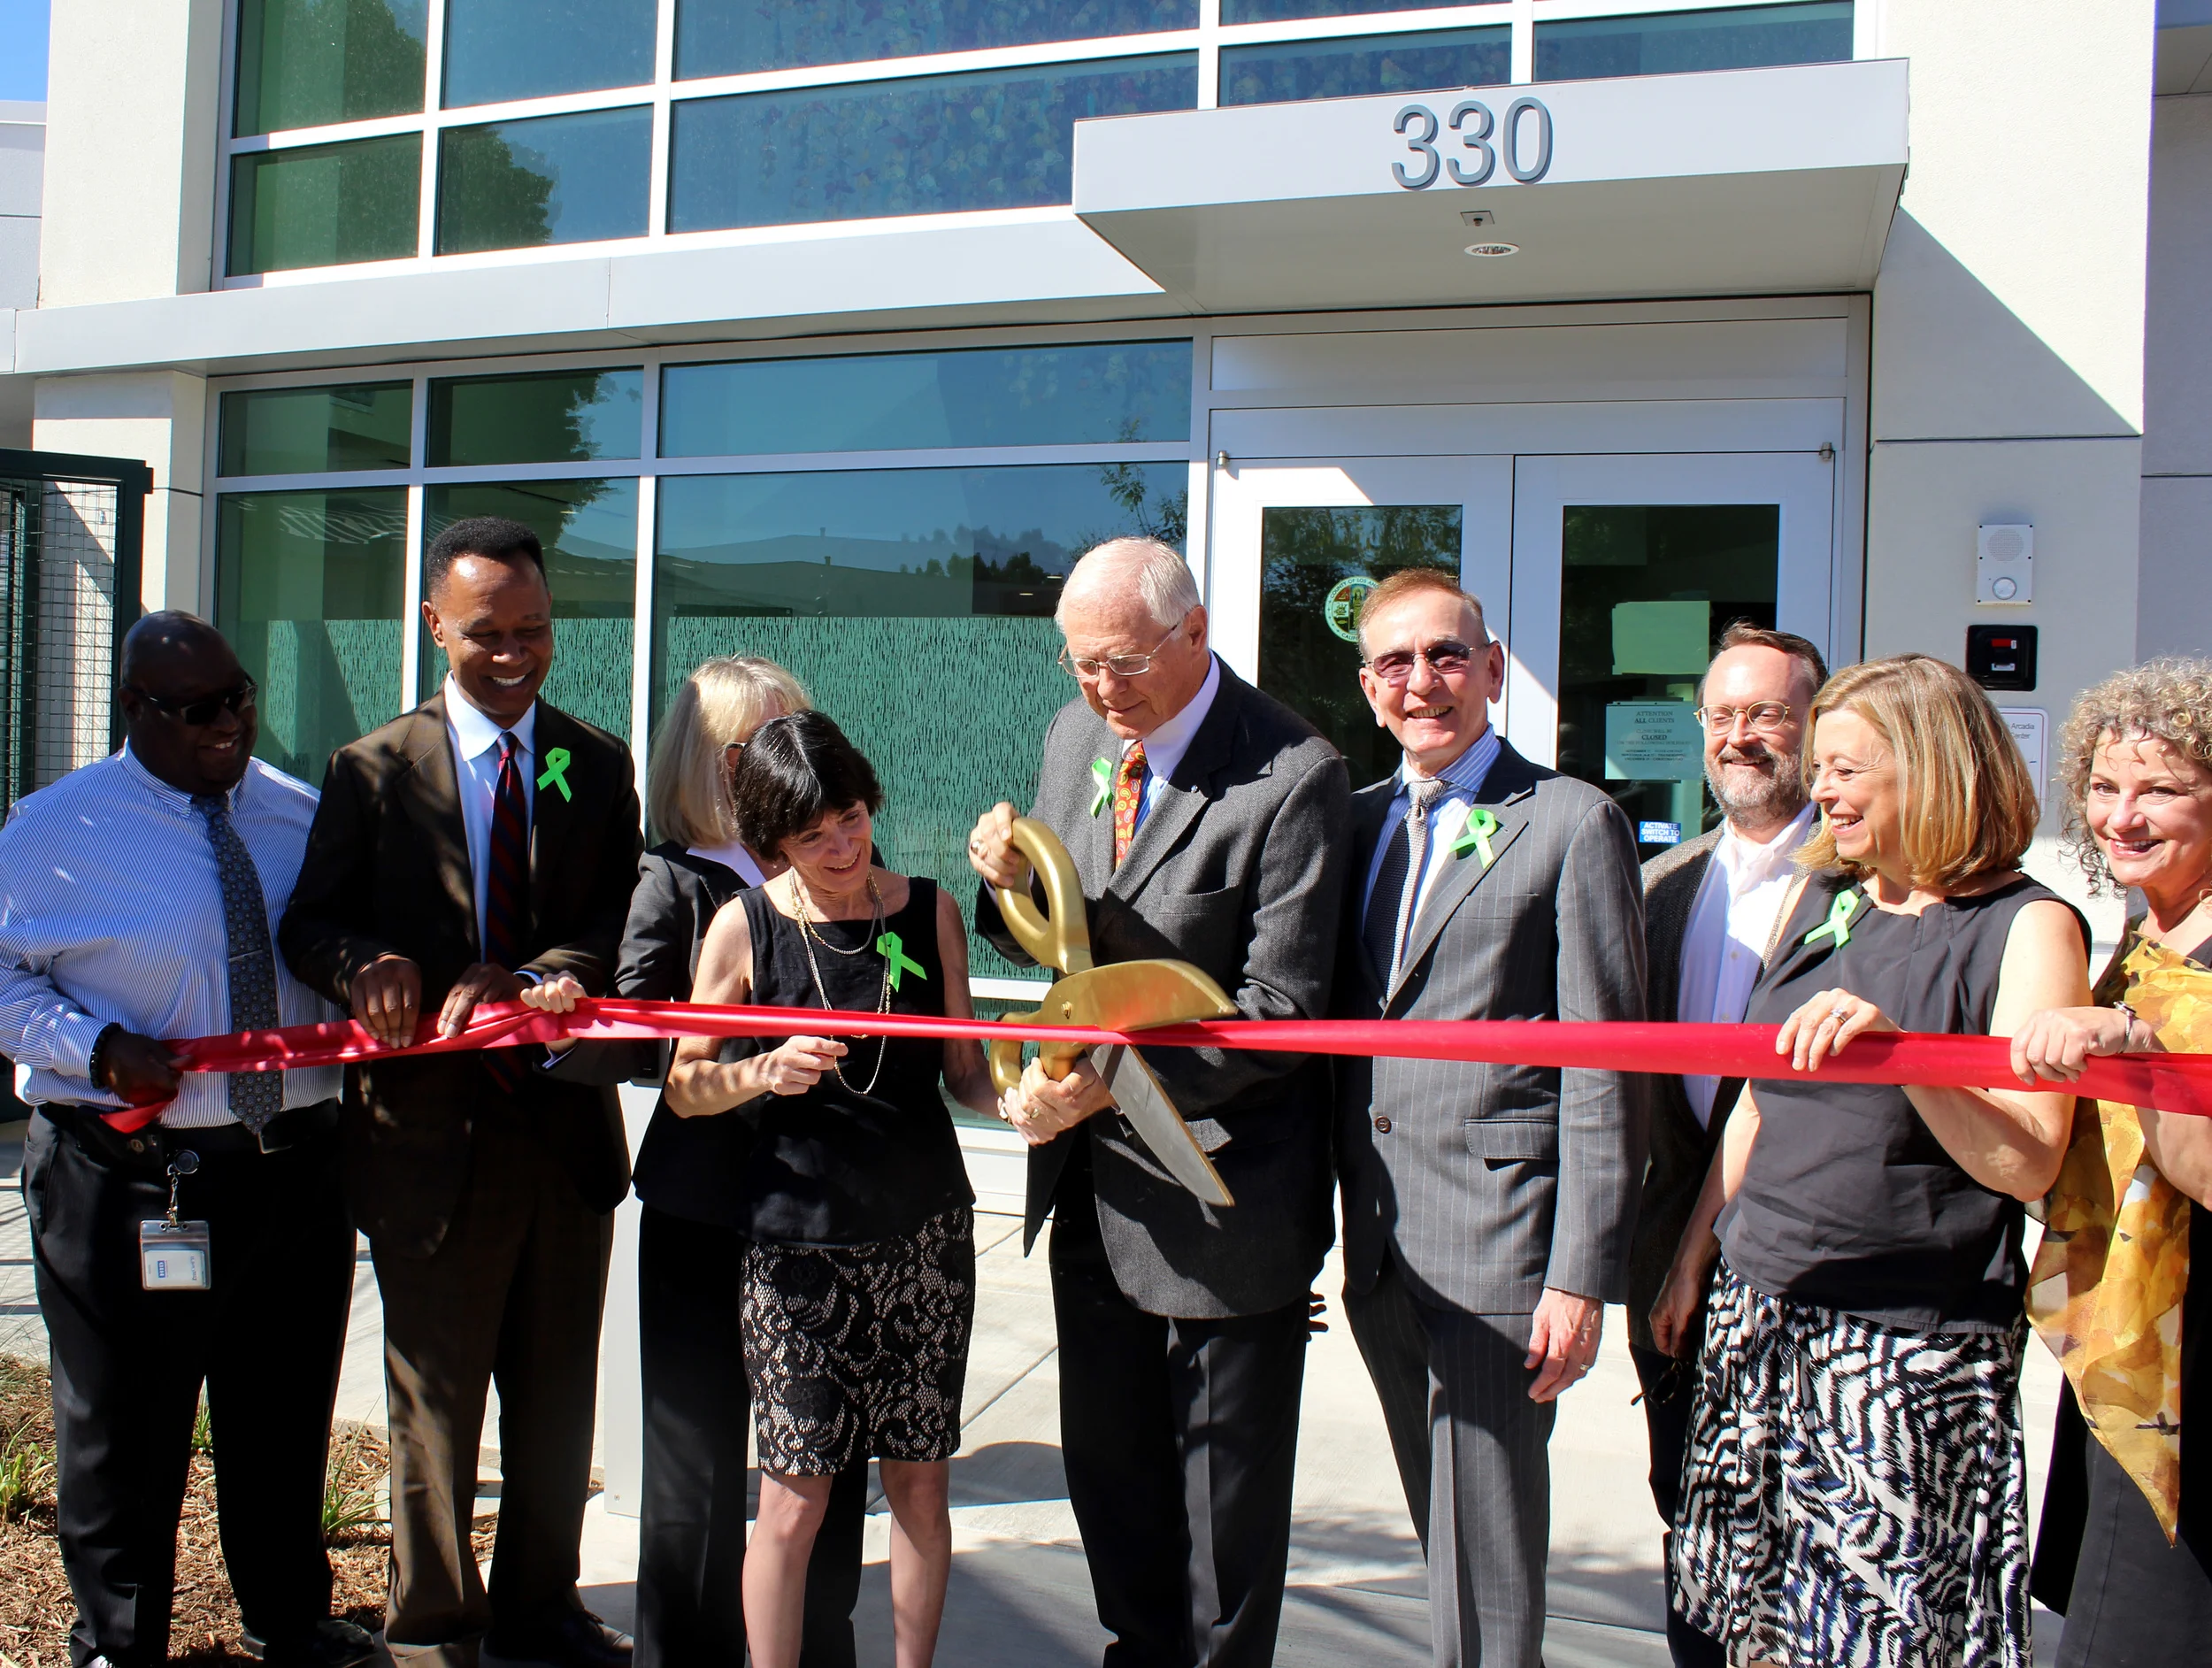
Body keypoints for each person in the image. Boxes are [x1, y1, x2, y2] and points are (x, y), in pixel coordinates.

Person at [967, 535, 1353, 1668]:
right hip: (1095, 1193)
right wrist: (1003, 883)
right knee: (1111, 1481)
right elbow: (1060, 946)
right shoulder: (1075, 735)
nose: (1100, 688)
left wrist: (1097, 1088)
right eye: (1080, 662)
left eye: (1124, 662)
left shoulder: (1292, 773)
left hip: (1222, 1196)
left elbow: (1277, 1011)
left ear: (1194, 633)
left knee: (1220, 1524)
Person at [1668, 653, 2091, 1668]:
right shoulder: (1831, 895)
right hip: (1760, 1311)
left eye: (1847, 770)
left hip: (1898, 1350)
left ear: (1933, 768)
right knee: (1746, 1627)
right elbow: (1757, 1097)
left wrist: (1903, 1056)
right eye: (1821, 766)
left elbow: (2029, 1162)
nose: (1821, 790)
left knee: (1875, 1637)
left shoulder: (2025, 925)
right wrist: (1693, 1257)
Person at [278, 517, 644, 1668]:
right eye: (489, 632)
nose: (516, 653)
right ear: (434, 624)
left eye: (535, 629)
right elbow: (310, 922)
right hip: (426, 1149)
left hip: (562, 1137)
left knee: (556, 1394)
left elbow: (619, 923)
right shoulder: (373, 770)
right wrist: (363, 965)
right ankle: (436, 1626)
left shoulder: (597, 761)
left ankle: (544, 1607)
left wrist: (540, 978)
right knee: (434, 1408)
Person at [0, 612, 369, 1668]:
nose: (227, 722)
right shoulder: (52, 832)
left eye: (238, 696)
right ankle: (117, 1643)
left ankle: (289, 1620)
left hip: (293, 1168)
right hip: (128, 1176)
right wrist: (94, 1046)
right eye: (197, 707)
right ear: (135, 708)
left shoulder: (299, 814)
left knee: (282, 1414)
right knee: (123, 1429)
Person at [519, 655, 872, 1668]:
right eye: (768, 738)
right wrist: (572, 1022)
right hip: (705, 1206)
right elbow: (635, 1031)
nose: (795, 755)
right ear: (719, 761)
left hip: (827, 1212)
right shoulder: (671, 878)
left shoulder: (838, 864)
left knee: (823, 1460)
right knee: (695, 1466)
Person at [1333, 568, 1647, 1668]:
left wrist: (1579, 1274)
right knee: (1448, 1541)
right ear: (1368, 687)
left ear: (1494, 670)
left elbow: (1605, 1065)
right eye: (1395, 661)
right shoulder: (1351, 823)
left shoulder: (1570, 820)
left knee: (1490, 1551)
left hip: (1503, 1248)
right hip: (1380, 1244)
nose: (1422, 681)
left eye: (1447, 654)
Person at [662, 711, 996, 1668]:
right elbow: (687, 1084)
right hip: (797, 1250)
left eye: (851, 819)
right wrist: (763, 1070)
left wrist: (1020, 1099)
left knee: (921, 1485)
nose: (844, 847)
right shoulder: (746, 923)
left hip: (923, 1238)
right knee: (793, 1498)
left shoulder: (930, 909)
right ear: (774, 843)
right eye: (814, 836)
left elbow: (965, 1071)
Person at [2009, 657, 2212, 1663]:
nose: (2120, 817)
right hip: (2130, 1341)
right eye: (2102, 785)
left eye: (2160, 790)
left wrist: (2137, 1049)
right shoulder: (2144, 930)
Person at [1632, 621, 1825, 1668]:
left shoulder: (1867, 884)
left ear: (1814, 725)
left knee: (1804, 1535)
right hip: (1670, 1258)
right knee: (1690, 1514)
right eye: (1721, 715)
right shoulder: (1663, 880)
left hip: (1808, 1270)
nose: (1738, 736)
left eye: (1766, 715)